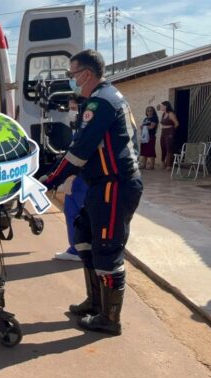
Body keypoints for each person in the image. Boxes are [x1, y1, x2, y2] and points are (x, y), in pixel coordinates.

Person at [41, 49, 143, 335]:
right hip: (104, 184)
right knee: (84, 232)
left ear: (86, 74)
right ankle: (96, 302)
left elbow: (79, 152)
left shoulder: (100, 103)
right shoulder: (106, 97)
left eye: (72, 74)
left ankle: (110, 319)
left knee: (108, 248)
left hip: (115, 185)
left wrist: (51, 180)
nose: (71, 80)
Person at [54, 97, 87, 262]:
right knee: (71, 211)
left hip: (82, 177)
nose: (70, 111)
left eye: (73, 107)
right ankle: (76, 249)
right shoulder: (77, 127)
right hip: (76, 176)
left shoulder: (87, 127)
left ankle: (81, 250)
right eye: (69, 107)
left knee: (80, 213)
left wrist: (71, 176)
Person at [158, 101, 179, 170]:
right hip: (163, 132)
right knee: (163, 147)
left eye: (162, 106)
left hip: (169, 132)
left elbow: (176, 123)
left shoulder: (171, 114)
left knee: (168, 148)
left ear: (166, 106)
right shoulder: (164, 114)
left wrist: (172, 131)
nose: (161, 107)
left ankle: (168, 165)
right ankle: (163, 163)